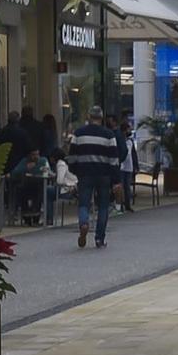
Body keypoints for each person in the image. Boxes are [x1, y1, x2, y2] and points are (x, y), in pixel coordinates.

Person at [68, 106, 122, 249]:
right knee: (103, 206)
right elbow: (114, 159)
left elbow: (72, 156)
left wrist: (74, 169)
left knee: (84, 203)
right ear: (102, 117)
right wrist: (116, 179)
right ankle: (99, 238)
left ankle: (84, 223)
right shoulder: (109, 135)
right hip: (104, 174)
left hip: (85, 173)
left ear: (88, 116)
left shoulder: (78, 134)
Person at [116, 114, 138, 213]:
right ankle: (120, 204)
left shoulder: (130, 141)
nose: (130, 132)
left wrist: (136, 165)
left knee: (127, 187)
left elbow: (133, 154)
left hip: (128, 166)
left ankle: (127, 204)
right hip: (122, 166)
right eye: (128, 129)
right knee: (121, 186)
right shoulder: (120, 140)